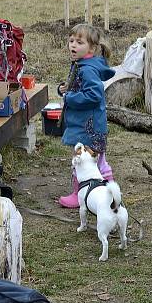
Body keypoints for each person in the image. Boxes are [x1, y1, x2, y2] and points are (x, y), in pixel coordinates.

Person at [58, 24, 116, 208]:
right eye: (71, 41)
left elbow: (93, 95)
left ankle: (79, 194)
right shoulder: (82, 64)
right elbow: (78, 87)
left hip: (87, 128)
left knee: (81, 161)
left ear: (91, 48)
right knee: (99, 161)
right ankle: (109, 190)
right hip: (91, 125)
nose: (73, 45)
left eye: (79, 42)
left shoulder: (87, 69)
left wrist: (70, 98)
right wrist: (64, 89)